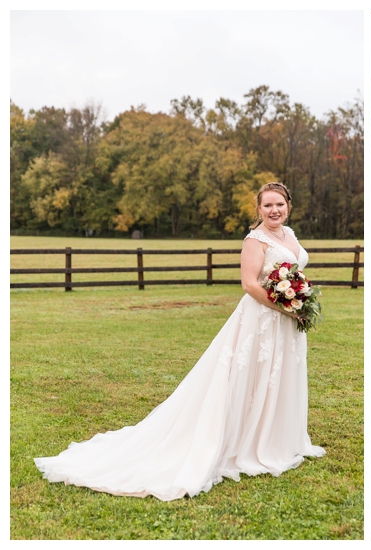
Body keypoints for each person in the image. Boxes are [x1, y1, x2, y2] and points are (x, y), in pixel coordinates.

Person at [34, 182, 325, 501]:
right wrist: (287, 306)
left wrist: (299, 300)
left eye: (279, 204)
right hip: (262, 320)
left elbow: (294, 272)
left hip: (287, 322)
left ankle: (279, 440)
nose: (274, 210)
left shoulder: (290, 235)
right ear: (258, 209)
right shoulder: (254, 240)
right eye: (267, 205)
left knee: (278, 378)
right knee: (251, 378)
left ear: (289, 206)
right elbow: (249, 284)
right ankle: (248, 442)